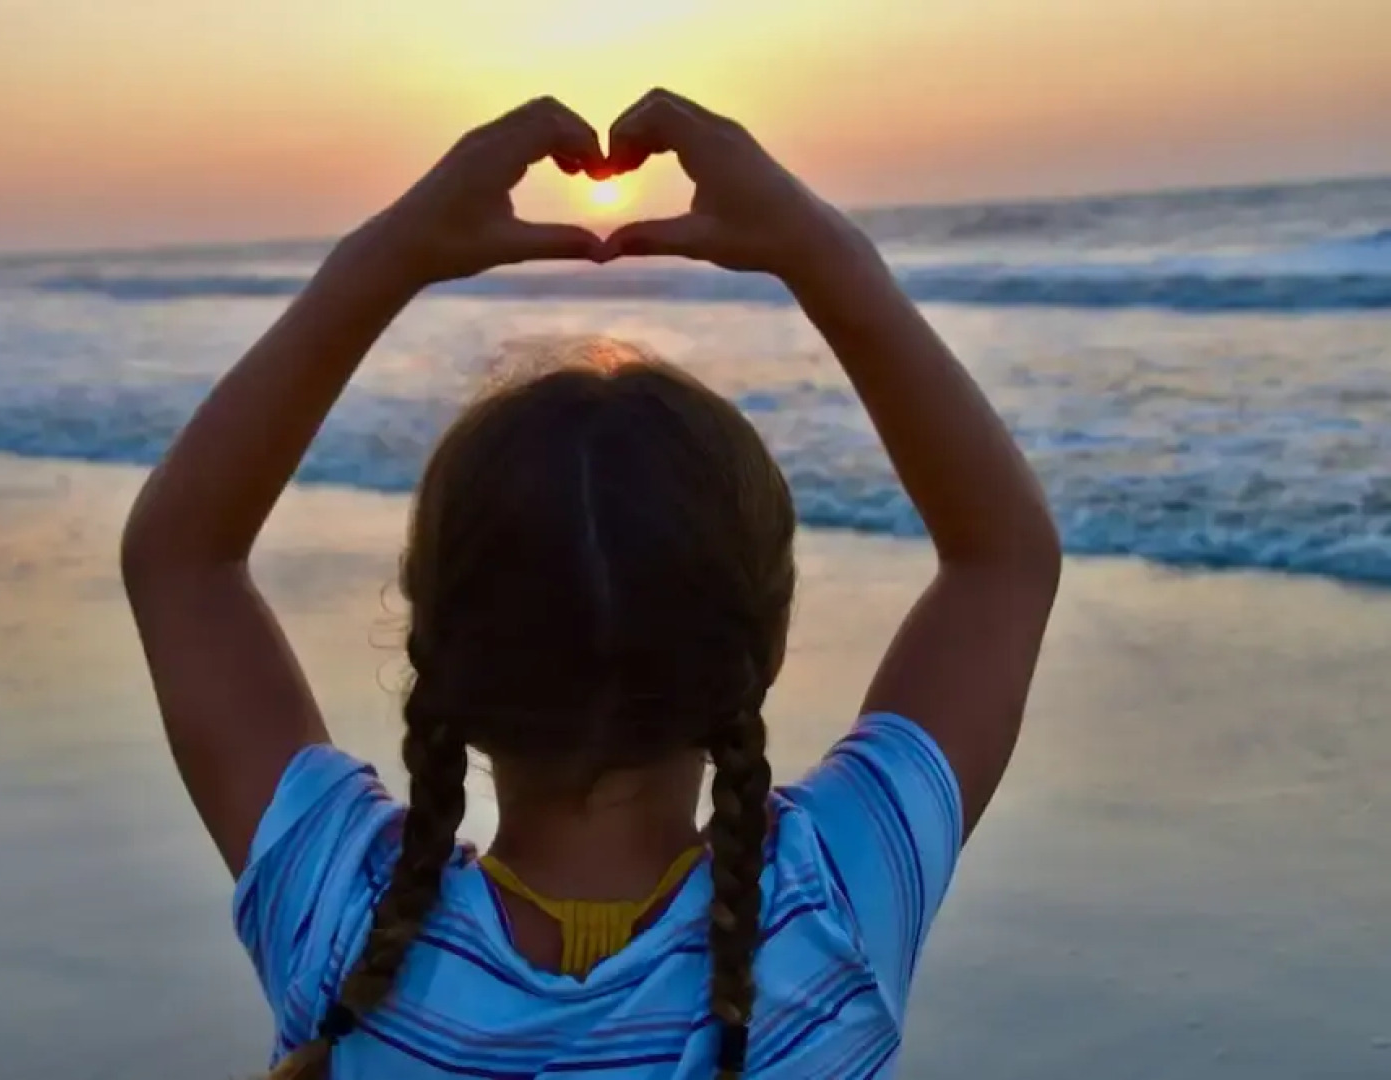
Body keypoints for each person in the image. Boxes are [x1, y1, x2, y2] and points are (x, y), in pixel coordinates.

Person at [121, 91, 1062, 1079]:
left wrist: (390, 255)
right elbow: (1002, 559)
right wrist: (815, 250)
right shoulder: (825, 926)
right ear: (763, 642)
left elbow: (180, 561)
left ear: (433, 650)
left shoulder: (349, 956)